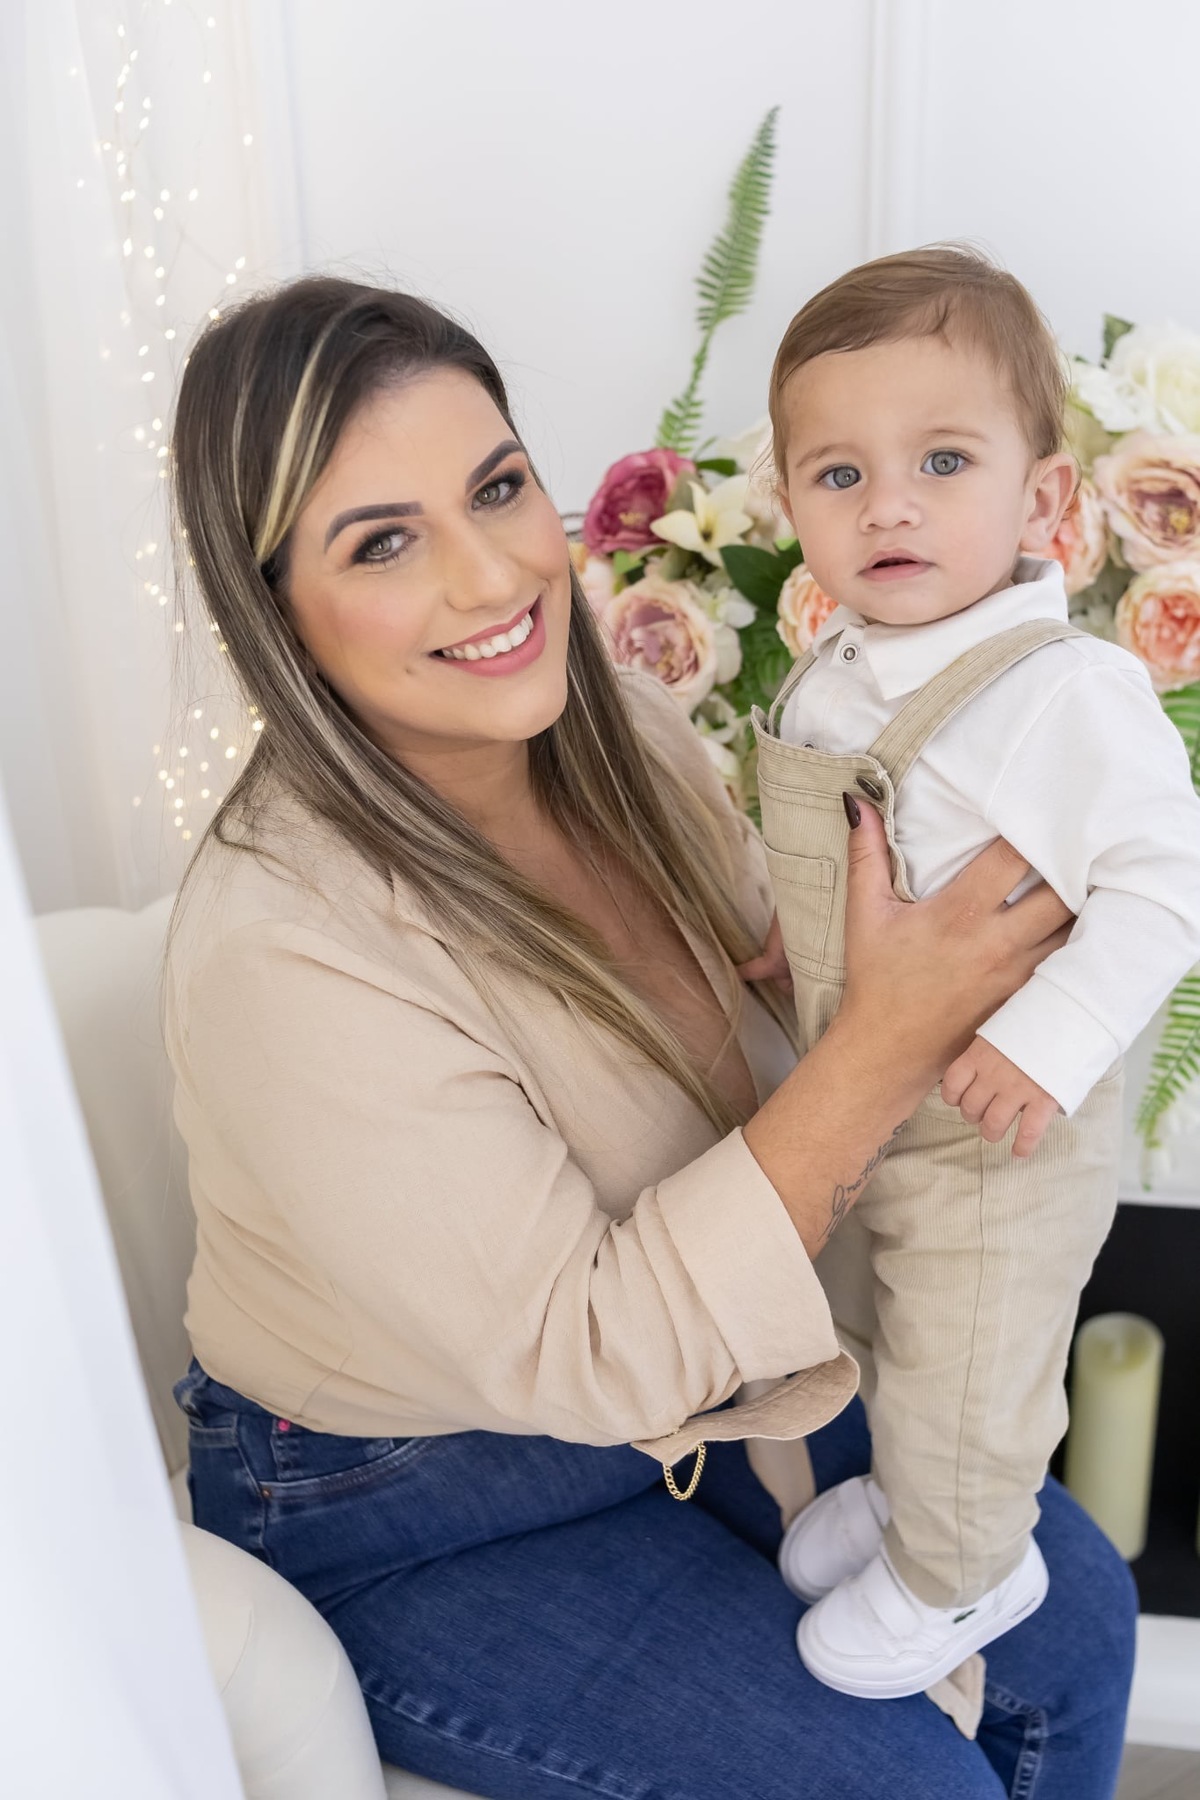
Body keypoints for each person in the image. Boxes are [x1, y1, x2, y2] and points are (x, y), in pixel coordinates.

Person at [166, 274, 1136, 1798]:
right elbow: (596, 1345)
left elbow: (800, 1001)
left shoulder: (627, 742)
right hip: (408, 1495)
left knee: (1074, 1633)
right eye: (384, 543)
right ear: (271, 603)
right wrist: (886, 1036)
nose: (494, 578)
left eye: (498, 488)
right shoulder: (279, 945)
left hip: (695, 1381)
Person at [748, 245, 1200, 1702]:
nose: (888, 503)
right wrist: (780, 930)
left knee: (970, 1358)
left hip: (996, 1131)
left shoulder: (1065, 693)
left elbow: (1167, 883)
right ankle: (902, 1500)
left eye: (942, 459)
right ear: (790, 501)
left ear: (1047, 500)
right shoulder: (841, 663)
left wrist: (1054, 1035)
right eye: (839, 473)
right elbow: (845, 839)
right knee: (876, 1322)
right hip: (867, 1096)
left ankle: (966, 1567)